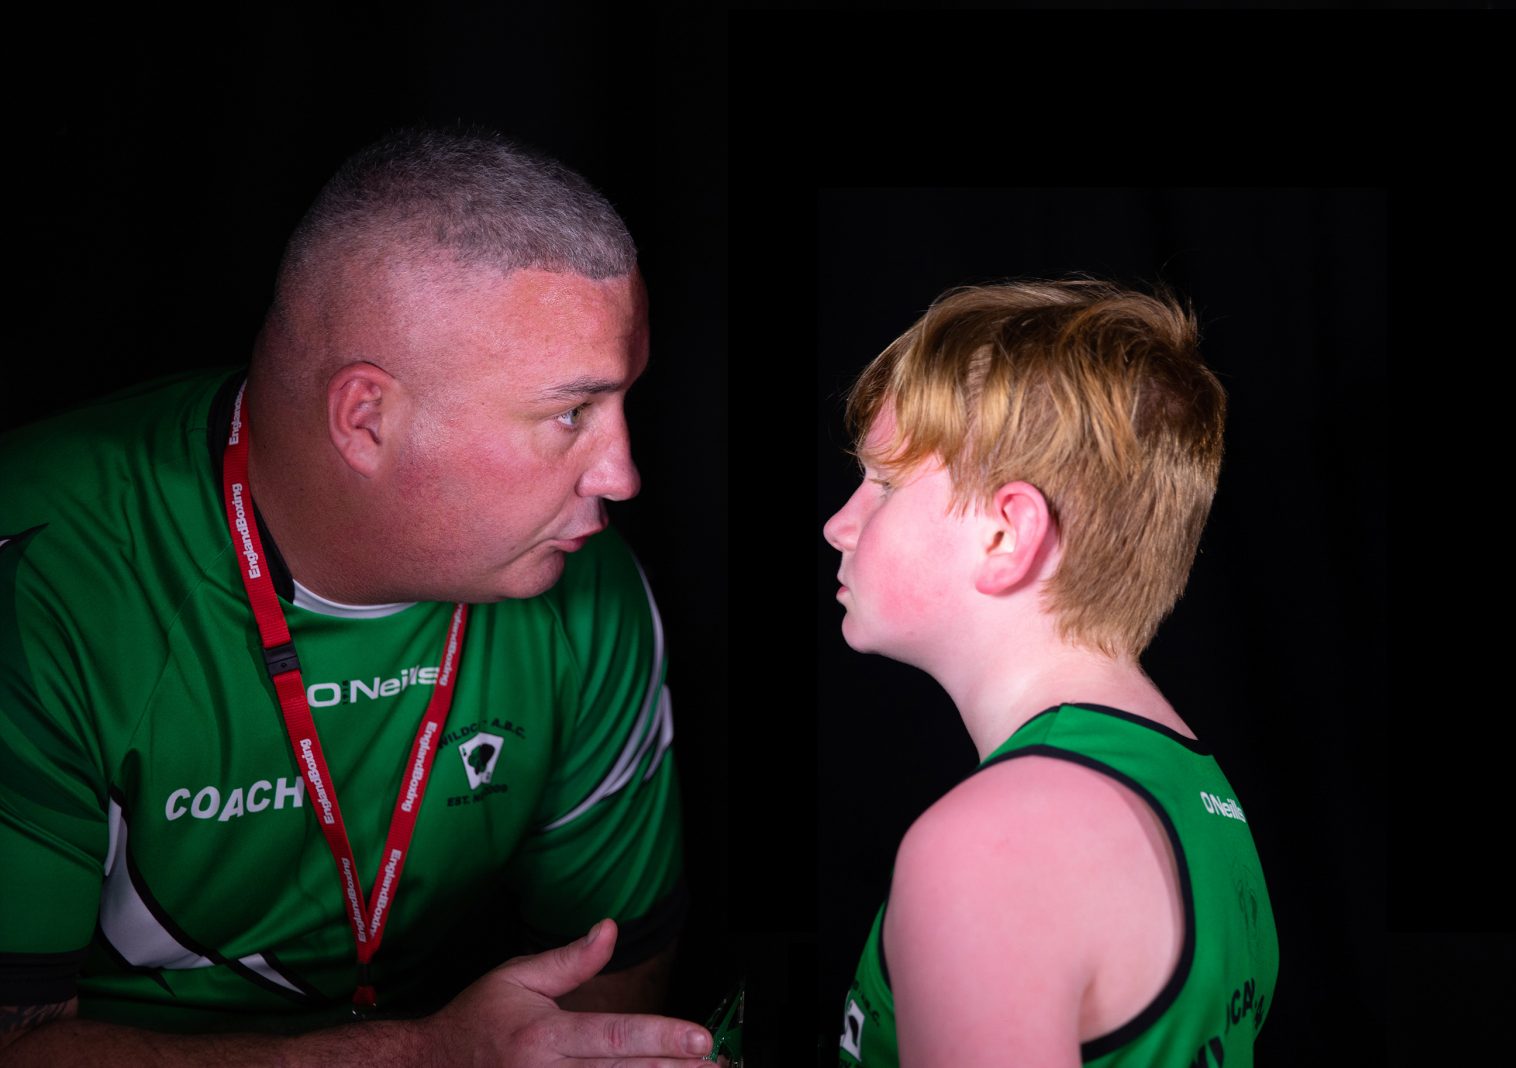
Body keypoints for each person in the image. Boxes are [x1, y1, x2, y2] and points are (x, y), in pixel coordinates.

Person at [0, 127, 715, 1065]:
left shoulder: (587, 584)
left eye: (626, 404)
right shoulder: (46, 575)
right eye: (571, 414)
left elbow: (615, 983)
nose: (621, 475)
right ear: (367, 417)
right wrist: (419, 1057)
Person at [823, 278, 1279, 1066]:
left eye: (886, 485)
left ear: (1007, 536)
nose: (839, 524)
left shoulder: (988, 848)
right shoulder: (1194, 790)